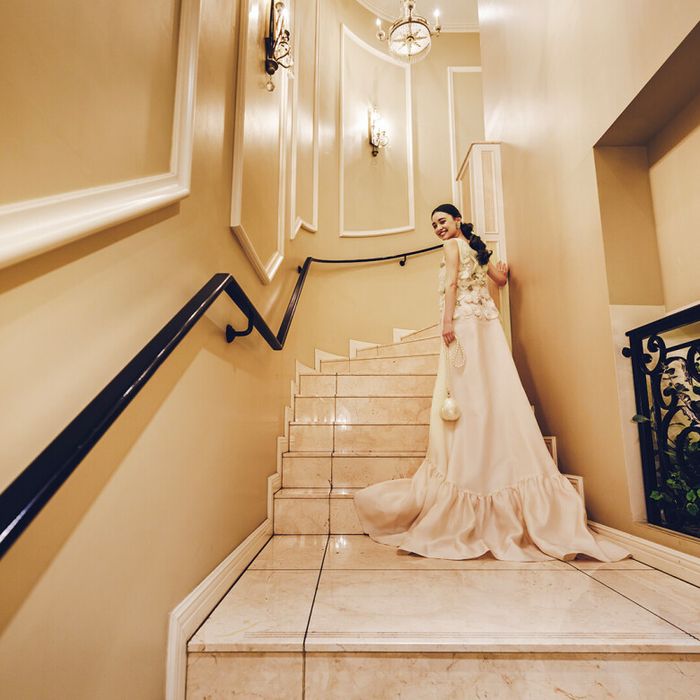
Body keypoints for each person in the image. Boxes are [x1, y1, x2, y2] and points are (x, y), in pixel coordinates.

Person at [353, 203, 630, 562]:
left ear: (457, 220)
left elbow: (452, 283)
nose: (438, 228)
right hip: (487, 328)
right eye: (434, 225)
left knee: (468, 396)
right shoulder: (477, 249)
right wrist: (501, 271)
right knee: (493, 392)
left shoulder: (452, 246)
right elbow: (499, 279)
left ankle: (470, 463)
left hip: (464, 325)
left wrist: (446, 321)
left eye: (442, 221)